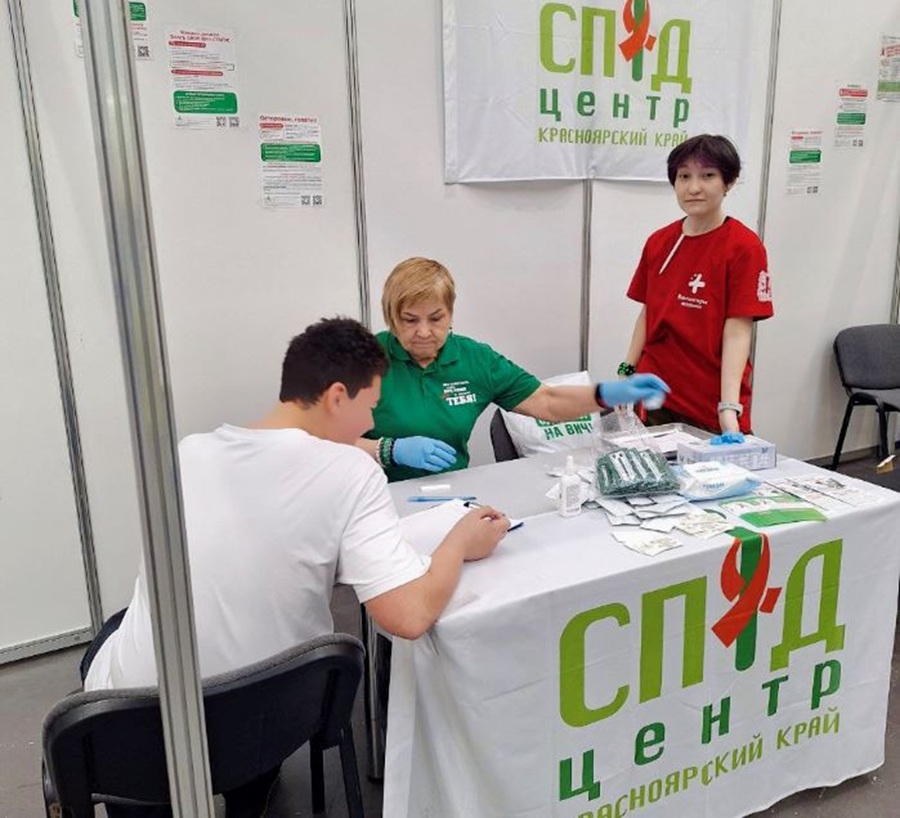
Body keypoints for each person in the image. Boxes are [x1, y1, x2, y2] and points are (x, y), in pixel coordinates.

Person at [81, 317, 510, 817]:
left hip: (134, 735)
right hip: (273, 720)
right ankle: (250, 789)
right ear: (336, 397)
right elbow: (409, 615)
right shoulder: (353, 471)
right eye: (371, 407)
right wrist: (459, 542)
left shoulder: (187, 453)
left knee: (117, 631)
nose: (371, 424)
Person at [357, 257, 670, 481]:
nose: (424, 331)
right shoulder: (365, 358)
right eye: (410, 320)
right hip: (372, 495)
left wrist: (605, 394)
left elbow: (546, 402)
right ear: (391, 317)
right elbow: (327, 441)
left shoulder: (475, 359)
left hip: (448, 493)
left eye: (436, 318)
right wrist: (388, 450)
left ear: (451, 313)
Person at [622, 134, 774, 435]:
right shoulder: (659, 241)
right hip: (656, 392)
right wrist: (626, 371)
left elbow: (738, 331)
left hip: (709, 399)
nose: (693, 187)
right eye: (684, 176)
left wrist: (728, 407)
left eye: (707, 176)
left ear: (729, 182)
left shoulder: (744, 247)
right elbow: (648, 313)